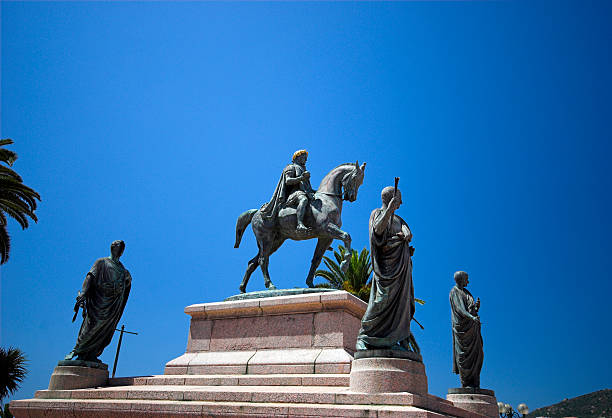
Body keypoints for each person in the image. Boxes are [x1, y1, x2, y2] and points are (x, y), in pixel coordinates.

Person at [356, 186, 418, 352]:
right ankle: (365, 335)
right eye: (399, 198)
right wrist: (389, 210)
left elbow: (407, 233)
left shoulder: (400, 219)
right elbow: (377, 230)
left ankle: (400, 338)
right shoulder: (377, 213)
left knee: (403, 303)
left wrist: (406, 236)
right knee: (381, 301)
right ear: (391, 198)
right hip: (386, 268)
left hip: (402, 267)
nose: (401, 202)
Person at [65, 240, 131, 363]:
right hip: (100, 301)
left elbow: (126, 283)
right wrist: (84, 292)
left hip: (114, 304)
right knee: (91, 325)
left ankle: (91, 354)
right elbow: (90, 276)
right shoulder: (102, 262)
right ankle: (77, 350)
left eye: (122, 248)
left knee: (106, 330)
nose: (120, 250)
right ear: (112, 248)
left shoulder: (122, 268)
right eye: (118, 247)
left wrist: (127, 279)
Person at [260, 149, 315, 232]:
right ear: (298, 157)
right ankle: (300, 224)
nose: (306, 160)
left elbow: (307, 187)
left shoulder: (302, 169)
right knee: (303, 200)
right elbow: (288, 181)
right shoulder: (290, 167)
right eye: (304, 157)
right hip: (294, 193)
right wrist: (301, 178)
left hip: (304, 192)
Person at [450, 270, 484, 388]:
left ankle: (475, 382)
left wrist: (475, 308)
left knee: (478, 355)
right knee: (464, 357)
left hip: (472, 328)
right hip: (462, 330)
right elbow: (460, 309)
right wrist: (471, 317)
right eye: (466, 279)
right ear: (461, 279)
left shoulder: (467, 292)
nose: (468, 282)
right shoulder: (454, 292)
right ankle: (466, 383)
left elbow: (469, 309)